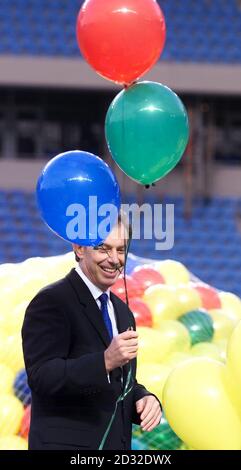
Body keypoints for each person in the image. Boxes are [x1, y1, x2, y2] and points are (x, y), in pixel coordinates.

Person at [22, 212, 162, 450]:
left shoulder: (122, 311)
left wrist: (142, 398)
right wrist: (105, 360)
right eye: (103, 248)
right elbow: (42, 376)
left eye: (120, 249)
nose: (114, 259)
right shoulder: (52, 301)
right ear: (78, 248)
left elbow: (120, 382)